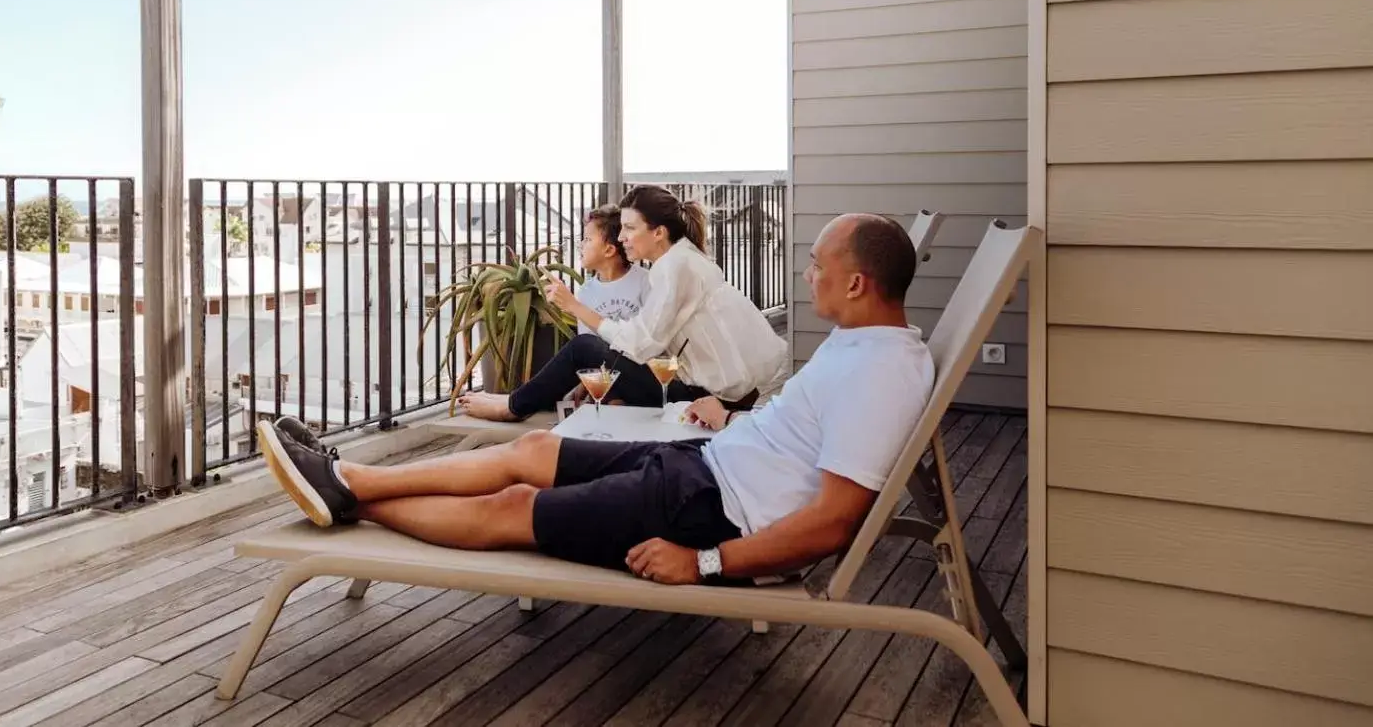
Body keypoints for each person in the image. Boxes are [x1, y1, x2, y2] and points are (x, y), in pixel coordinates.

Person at [256, 213, 933, 586]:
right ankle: (348, 482)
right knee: (531, 448)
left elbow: (832, 523)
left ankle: (346, 491)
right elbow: (804, 434)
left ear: (856, 285)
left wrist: (701, 563)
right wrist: (736, 415)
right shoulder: (860, 345)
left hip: (710, 509)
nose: (807, 273)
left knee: (513, 508)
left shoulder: (882, 372)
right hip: (707, 460)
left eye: (819, 264)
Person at [457, 185, 790, 422]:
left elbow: (640, 344)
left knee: (583, 348)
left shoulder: (675, 268)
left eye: (630, 228)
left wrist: (574, 307)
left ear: (658, 232)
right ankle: (523, 401)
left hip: (708, 397)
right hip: (726, 389)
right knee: (595, 355)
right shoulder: (683, 260)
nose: (621, 237)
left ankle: (513, 406)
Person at [571, 204, 649, 337]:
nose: (581, 245)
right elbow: (587, 344)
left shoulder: (646, 282)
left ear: (609, 250)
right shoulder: (586, 292)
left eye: (587, 239)